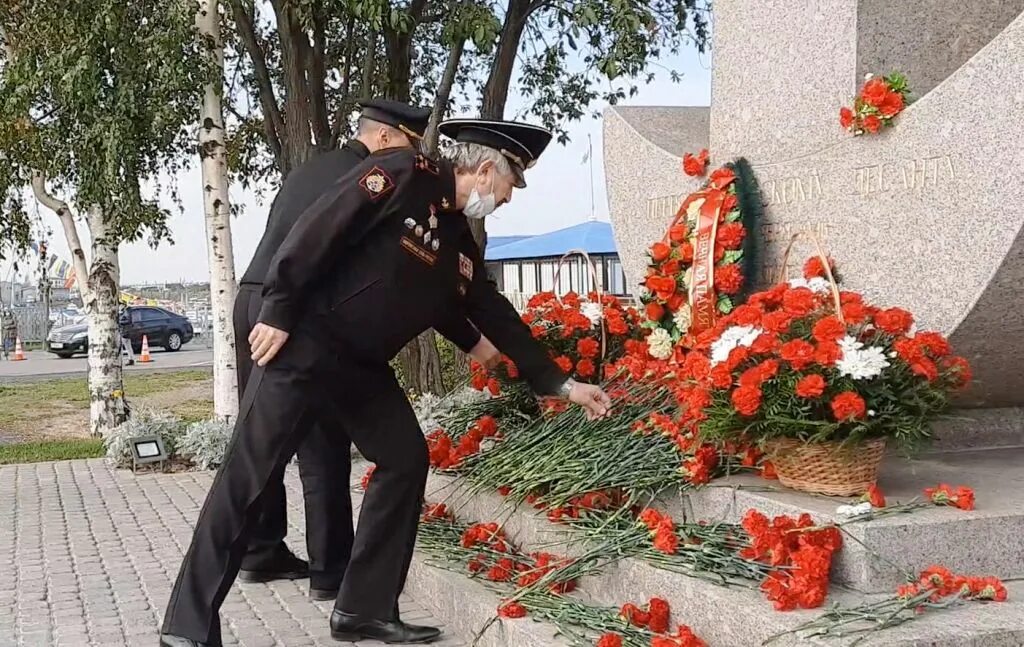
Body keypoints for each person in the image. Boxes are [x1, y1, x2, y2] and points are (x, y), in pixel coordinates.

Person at [159, 119, 612, 647]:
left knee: (404, 457)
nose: (509, 200)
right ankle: (186, 627)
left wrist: (559, 384)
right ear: (487, 170)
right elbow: (317, 228)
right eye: (511, 187)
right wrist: (279, 310)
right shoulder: (402, 173)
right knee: (250, 475)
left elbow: (492, 311)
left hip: (359, 365)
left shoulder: (457, 240)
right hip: (305, 344)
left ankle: (363, 610)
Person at [232, 98, 500, 601]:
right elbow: (326, 253)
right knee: (323, 445)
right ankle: (330, 570)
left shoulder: (312, 169)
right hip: (292, 311)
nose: (416, 163)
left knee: (263, 434)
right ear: (384, 138)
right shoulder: (372, 179)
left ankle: (261, 549)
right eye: (408, 146)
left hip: (255, 298)